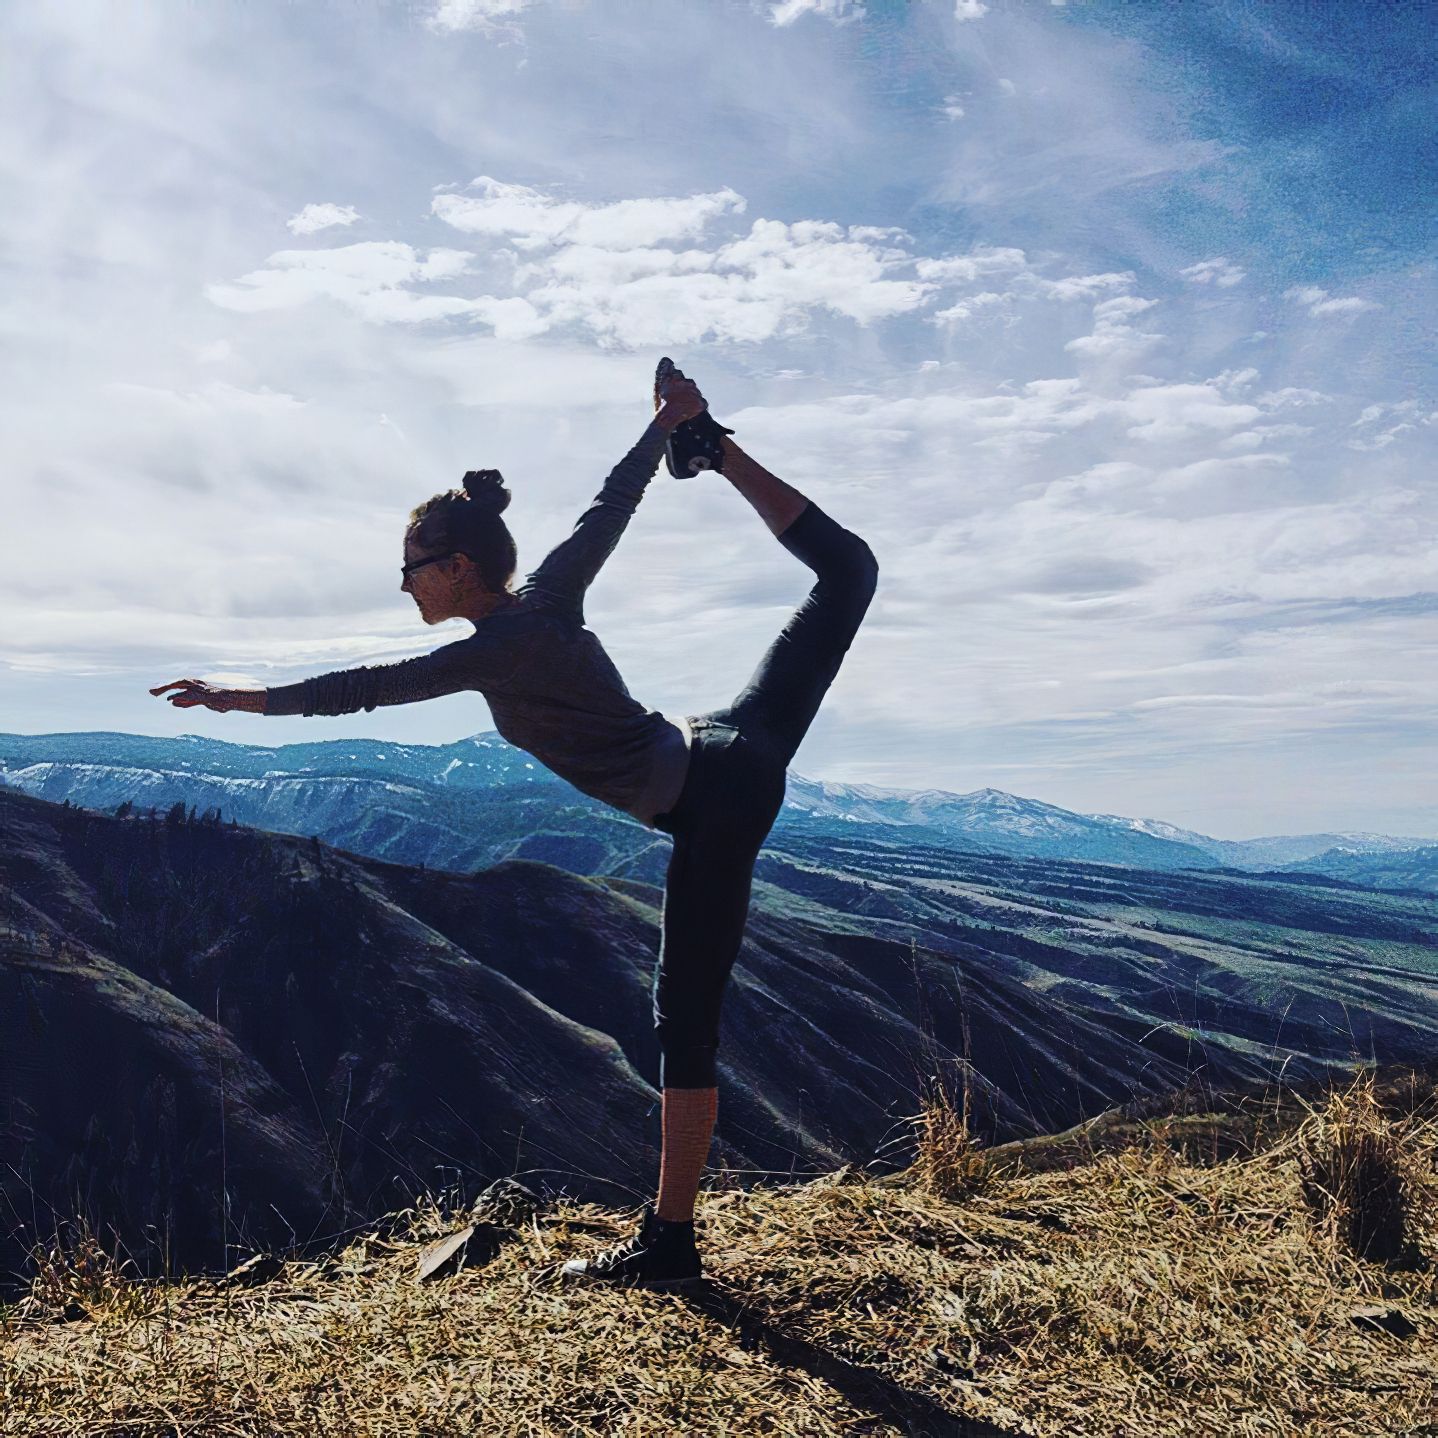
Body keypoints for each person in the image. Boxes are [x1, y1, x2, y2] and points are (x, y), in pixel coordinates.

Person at [151, 365, 879, 1289]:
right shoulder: (545, 599)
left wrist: (238, 698)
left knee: (684, 1025)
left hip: (713, 800)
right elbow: (610, 505)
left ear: (456, 568)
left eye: (411, 568)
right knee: (848, 573)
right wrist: (669, 425)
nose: (405, 585)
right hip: (732, 742)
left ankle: (669, 1246)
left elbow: (359, 690)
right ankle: (715, 451)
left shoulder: (491, 651)